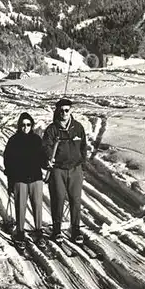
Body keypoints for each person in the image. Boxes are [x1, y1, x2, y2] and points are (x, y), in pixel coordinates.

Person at [42, 98, 87, 244]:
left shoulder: (78, 127)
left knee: (75, 199)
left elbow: (83, 147)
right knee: (58, 198)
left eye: (67, 110)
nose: (64, 113)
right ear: (57, 111)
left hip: (75, 169)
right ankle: (57, 230)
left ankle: (76, 230)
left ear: (71, 111)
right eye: (61, 110)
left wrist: (81, 163)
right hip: (57, 170)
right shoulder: (51, 130)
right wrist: (48, 159)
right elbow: (45, 148)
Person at [3, 112, 47, 248]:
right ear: (19, 126)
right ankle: (20, 233)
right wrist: (11, 177)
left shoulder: (37, 140)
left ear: (32, 125)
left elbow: (42, 157)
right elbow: (7, 160)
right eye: (22, 125)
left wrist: (46, 163)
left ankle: (39, 232)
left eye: (28, 125)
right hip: (19, 179)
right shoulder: (13, 141)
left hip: (35, 178)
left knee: (37, 206)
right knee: (20, 206)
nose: (25, 127)